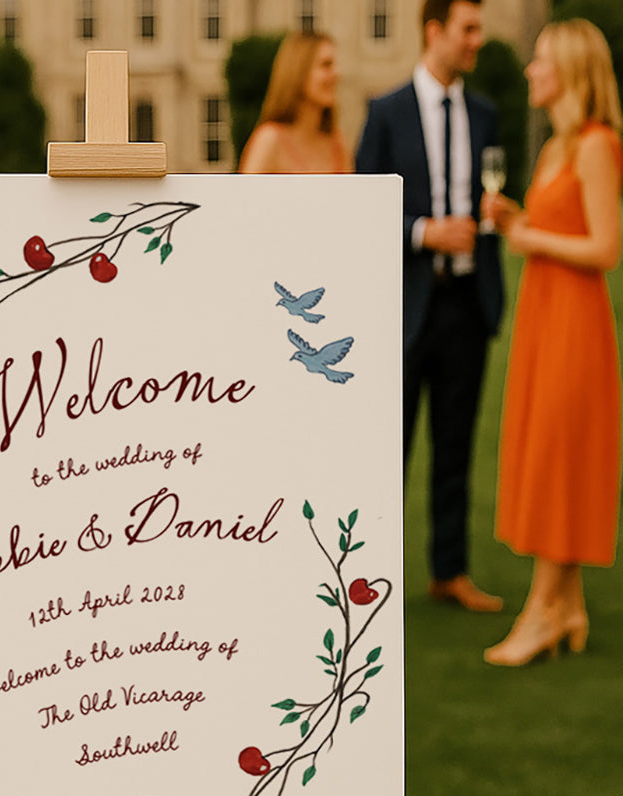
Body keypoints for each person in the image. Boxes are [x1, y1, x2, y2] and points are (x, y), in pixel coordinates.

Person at [481, 20, 622, 666]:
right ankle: (567, 608)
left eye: (540, 61)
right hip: (544, 316)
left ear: (568, 70)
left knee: (560, 457)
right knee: (545, 450)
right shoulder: (554, 149)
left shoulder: (597, 145)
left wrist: (530, 239)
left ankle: (543, 613)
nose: (531, 71)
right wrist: (518, 219)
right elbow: (553, 225)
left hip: (576, 322)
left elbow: (606, 247)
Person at [356, 0, 504, 612]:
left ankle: (450, 571)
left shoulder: (486, 114)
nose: (477, 41)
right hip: (405, 306)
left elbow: (492, 196)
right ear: (435, 31)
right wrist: (423, 232)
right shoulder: (385, 112)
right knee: (387, 453)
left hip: (467, 305)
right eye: (468, 29)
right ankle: (368, 581)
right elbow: (363, 214)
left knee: (455, 447)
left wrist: (494, 217)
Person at [238, 31, 351, 174]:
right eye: (326, 65)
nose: (336, 74)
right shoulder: (270, 140)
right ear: (299, 71)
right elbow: (245, 195)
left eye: (334, 65)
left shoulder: (338, 143)